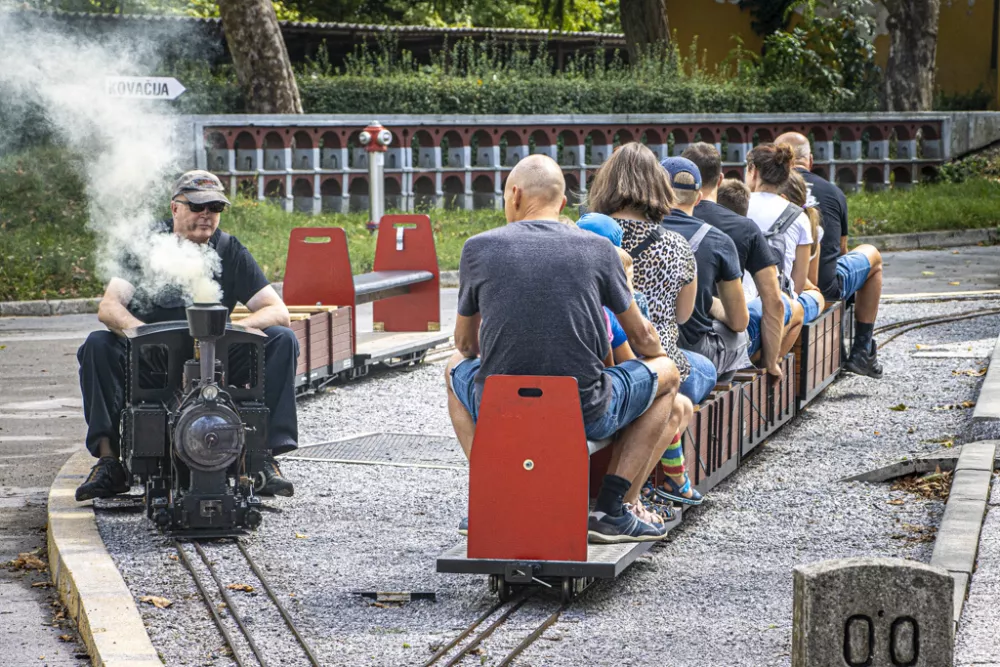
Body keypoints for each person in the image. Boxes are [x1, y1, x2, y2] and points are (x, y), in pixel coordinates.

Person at [446, 155, 682, 543]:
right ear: (562, 202)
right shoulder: (599, 250)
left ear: (514, 194)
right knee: (667, 373)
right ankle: (611, 508)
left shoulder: (477, 248)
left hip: (499, 407)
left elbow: (466, 344)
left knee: (453, 369)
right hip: (584, 409)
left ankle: (496, 495)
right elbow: (643, 341)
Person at [75, 171, 299, 502]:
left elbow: (278, 311)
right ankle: (109, 462)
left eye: (215, 207)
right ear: (176, 208)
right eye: (197, 207)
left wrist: (237, 331)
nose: (207, 215)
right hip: (151, 359)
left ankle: (264, 457)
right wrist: (140, 335)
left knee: (282, 338)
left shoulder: (229, 249)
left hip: (216, 357)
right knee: (97, 344)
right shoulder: (146, 245)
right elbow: (109, 307)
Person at [587, 143, 714, 505]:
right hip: (656, 359)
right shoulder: (677, 245)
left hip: (604, 356)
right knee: (704, 368)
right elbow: (684, 316)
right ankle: (660, 479)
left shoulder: (588, 238)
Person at [774, 131, 885, 378]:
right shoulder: (833, 192)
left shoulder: (766, 191)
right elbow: (842, 250)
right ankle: (862, 350)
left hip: (772, 287)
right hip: (823, 287)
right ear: (810, 160)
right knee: (872, 256)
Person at [683, 142, 791, 379]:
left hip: (668, 334)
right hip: (712, 337)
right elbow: (773, 301)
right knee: (778, 303)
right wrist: (771, 362)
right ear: (720, 180)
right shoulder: (745, 228)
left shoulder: (659, 222)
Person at [659, 157, 750, 384]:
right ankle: (716, 403)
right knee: (741, 337)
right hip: (692, 351)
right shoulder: (718, 240)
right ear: (699, 198)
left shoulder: (639, 231)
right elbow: (739, 321)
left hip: (643, 346)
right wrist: (708, 302)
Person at [777, 172, 827, 326]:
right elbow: (810, 280)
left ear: (783, 198)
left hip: (784, 295)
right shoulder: (814, 229)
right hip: (790, 297)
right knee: (816, 297)